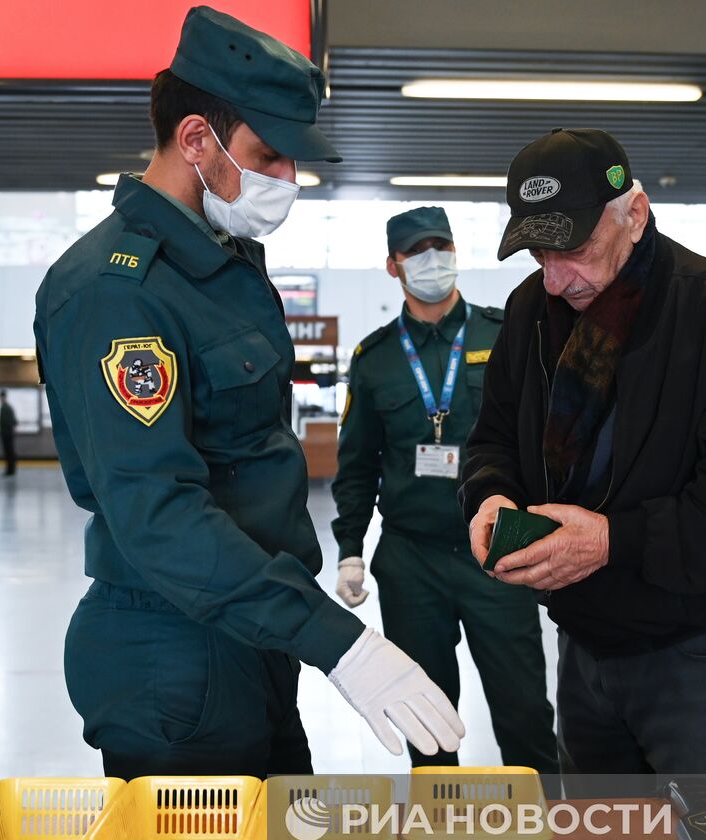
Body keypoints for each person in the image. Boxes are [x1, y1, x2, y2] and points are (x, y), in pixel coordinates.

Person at [31, 6, 464, 780]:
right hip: (175, 659)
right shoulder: (115, 293)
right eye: (269, 156)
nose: (288, 181)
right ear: (196, 139)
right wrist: (339, 643)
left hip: (251, 635)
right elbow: (157, 516)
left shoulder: (225, 266)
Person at [460, 128, 706, 787]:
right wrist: (489, 496)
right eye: (537, 254)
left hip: (705, 656)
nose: (555, 279)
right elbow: (492, 436)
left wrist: (611, 541)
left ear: (633, 215)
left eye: (574, 249)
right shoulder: (531, 312)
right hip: (584, 646)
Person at [332, 206, 557, 772]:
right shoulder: (375, 358)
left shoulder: (504, 335)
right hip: (411, 560)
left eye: (441, 248)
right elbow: (357, 462)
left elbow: (542, 437)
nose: (433, 261)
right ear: (393, 266)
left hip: (499, 553)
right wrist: (351, 551)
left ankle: (552, 839)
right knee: (427, 720)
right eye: (416, 252)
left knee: (525, 711)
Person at [0, 389, 18, 477]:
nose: (0, 399)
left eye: (1, 397)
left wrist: (7, 430)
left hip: (6, 434)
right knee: (9, 452)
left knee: (9, 452)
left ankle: (10, 470)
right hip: (8, 433)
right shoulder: (7, 407)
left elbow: (11, 421)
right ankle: (11, 470)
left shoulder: (5, 408)